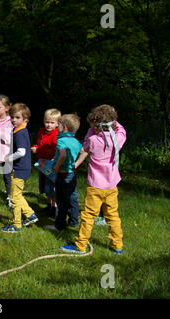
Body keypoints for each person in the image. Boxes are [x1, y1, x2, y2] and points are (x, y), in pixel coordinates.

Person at [62, 105, 126, 254]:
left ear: (96, 127)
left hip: (95, 187)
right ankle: (117, 245)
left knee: (88, 216)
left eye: (92, 126)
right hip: (111, 186)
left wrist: (92, 130)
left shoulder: (92, 140)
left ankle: (81, 245)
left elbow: (84, 148)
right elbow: (122, 130)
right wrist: (115, 122)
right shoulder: (118, 138)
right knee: (113, 215)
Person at [1, 103, 38, 233]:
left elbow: (21, 152)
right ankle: (30, 215)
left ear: (25, 119)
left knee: (14, 198)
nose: (14, 120)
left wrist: (8, 158)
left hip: (19, 169)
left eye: (17, 117)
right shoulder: (19, 130)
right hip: (21, 168)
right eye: (12, 117)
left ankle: (16, 225)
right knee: (16, 194)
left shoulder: (20, 133)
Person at [45, 114, 82, 232]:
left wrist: (56, 167)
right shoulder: (75, 140)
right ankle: (73, 221)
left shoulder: (61, 140)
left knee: (61, 201)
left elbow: (63, 155)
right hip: (72, 174)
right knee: (72, 198)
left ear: (64, 127)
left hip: (62, 174)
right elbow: (84, 151)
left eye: (58, 125)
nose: (57, 127)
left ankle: (59, 225)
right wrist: (77, 163)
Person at [31, 108, 61, 217]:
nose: (49, 125)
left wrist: (39, 150)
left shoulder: (56, 135)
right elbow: (39, 143)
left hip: (51, 162)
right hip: (42, 161)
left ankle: (54, 207)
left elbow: (53, 151)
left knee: (51, 185)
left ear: (57, 124)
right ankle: (49, 204)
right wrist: (36, 147)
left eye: (52, 123)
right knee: (44, 185)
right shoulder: (42, 131)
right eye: (47, 122)